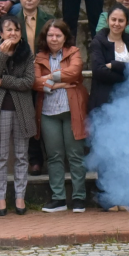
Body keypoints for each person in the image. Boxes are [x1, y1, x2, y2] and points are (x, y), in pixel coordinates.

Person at [0, 14, 35, 216]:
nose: (13, 33)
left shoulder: (26, 52)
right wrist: (1, 56)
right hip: (0, 109)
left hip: (22, 110)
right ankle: (0, 198)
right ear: (1, 33)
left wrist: (4, 82)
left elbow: (28, 82)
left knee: (21, 156)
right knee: (1, 156)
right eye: (9, 29)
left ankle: (20, 197)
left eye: (17, 30)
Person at [34, 19, 88, 213]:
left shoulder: (73, 52)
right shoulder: (40, 56)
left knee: (75, 155)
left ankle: (79, 198)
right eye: (50, 35)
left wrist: (50, 77)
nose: (54, 38)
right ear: (45, 37)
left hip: (71, 110)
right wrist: (60, 83)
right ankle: (58, 198)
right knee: (54, 156)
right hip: (48, 112)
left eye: (58, 35)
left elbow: (75, 72)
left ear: (65, 37)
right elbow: (34, 82)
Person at [89, 5, 129, 213]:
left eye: (121, 20)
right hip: (104, 105)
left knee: (124, 152)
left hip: (127, 105)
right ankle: (107, 199)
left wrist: (113, 65)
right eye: (113, 19)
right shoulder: (98, 41)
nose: (116, 24)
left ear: (126, 23)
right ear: (108, 20)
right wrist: (124, 67)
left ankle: (125, 196)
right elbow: (98, 72)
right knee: (106, 152)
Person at [10, 0, 52, 176]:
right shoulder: (11, 22)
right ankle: (34, 160)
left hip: (44, 74)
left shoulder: (49, 20)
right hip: (21, 76)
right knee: (27, 120)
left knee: (43, 118)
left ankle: (49, 159)